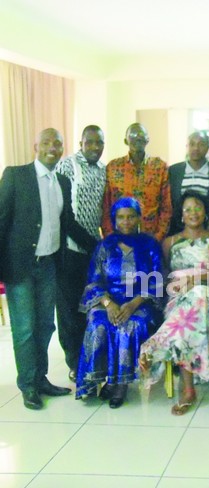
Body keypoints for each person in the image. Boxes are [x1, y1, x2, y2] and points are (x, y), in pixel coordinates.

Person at [0, 128, 97, 410]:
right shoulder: (16, 176)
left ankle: (41, 378)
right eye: (46, 142)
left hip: (50, 266)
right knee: (25, 329)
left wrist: (100, 245)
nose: (52, 148)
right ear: (35, 145)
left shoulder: (62, 182)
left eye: (58, 143)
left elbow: (67, 223)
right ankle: (28, 385)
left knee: (45, 326)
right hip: (21, 267)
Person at [140, 192, 209, 414]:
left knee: (199, 294)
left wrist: (196, 280)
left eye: (198, 208)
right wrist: (178, 285)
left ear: (206, 213)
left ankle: (159, 347)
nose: (193, 213)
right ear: (181, 216)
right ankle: (187, 389)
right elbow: (163, 276)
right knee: (188, 314)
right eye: (188, 209)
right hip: (178, 299)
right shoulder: (169, 242)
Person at [76, 197, 164, 408]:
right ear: (114, 219)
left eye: (131, 217)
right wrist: (109, 304)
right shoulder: (105, 245)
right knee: (98, 325)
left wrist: (133, 304)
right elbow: (94, 280)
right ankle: (101, 379)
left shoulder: (149, 244)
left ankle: (121, 384)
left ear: (138, 218)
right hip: (107, 301)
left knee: (129, 326)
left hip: (140, 302)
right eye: (121, 217)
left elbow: (156, 279)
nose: (126, 222)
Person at [55, 125, 107, 381]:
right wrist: (91, 243)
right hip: (70, 249)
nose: (95, 147)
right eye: (91, 142)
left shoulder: (103, 170)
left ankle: (91, 360)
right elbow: (63, 215)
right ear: (81, 142)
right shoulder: (66, 166)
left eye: (100, 143)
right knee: (69, 312)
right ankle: (75, 365)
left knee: (90, 307)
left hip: (92, 250)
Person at [102, 123, 172, 241]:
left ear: (147, 140)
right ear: (125, 141)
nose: (138, 138)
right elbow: (106, 207)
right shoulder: (113, 167)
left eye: (141, 135)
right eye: (133, 135)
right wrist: (110, 238)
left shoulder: (159, 167)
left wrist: (157, 238)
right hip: (119, 239)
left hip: (150, 238)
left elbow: (166, 207)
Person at [168, 131, 209, 235]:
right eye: (192, 144)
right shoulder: (173, 171)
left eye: (201, 144)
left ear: (208, 147)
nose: (196, 148)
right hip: (178, 230)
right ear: (187, 146)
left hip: (208, 230)